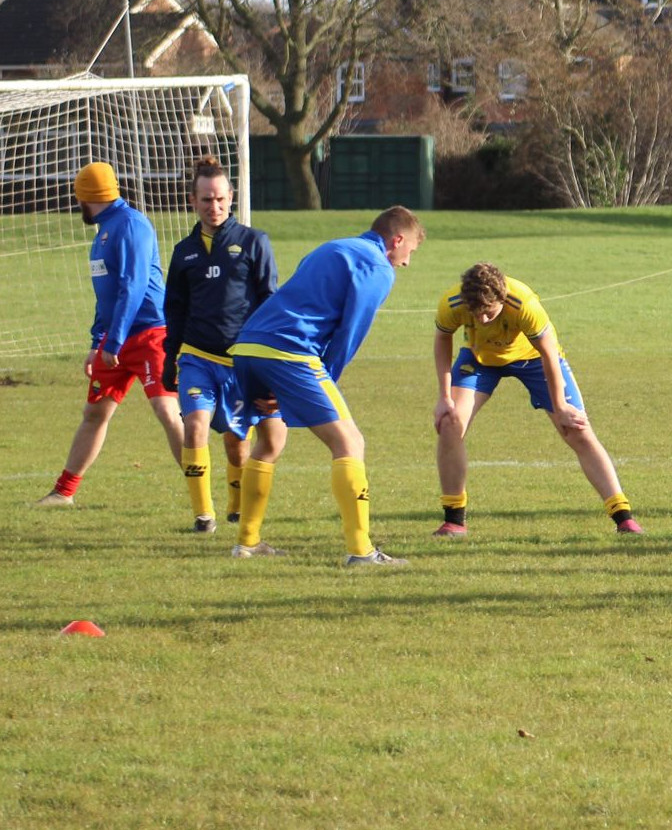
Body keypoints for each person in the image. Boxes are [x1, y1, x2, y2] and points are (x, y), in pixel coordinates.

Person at [226, 207, 425, 565]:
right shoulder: (378, 267)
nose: (407, 262)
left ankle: (247, 543)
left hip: (248, 345)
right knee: (349, 441)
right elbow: (351, 332)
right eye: (409, 251)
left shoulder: (332, 247)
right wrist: (326, 378)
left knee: (270, 441)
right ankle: (362, 553)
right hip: (290, 351)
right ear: (396, 240)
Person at [429, 262, 641, 537]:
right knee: (449, 422)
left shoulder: (524, 304)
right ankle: (454, 521)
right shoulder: (453, 302)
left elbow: (549, 356)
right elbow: (442, 339)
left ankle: (623, 517)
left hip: (534, 360)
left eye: (489, 313)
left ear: (502, 299)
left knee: (577, 430)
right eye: (476, 314)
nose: (481, 320)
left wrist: (562, 407)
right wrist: (444, 397)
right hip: (480, 360)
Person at [35, 163, 183, 509]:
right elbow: (108, 294)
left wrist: (111, 342)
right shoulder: (104, 230)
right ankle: (63, 492)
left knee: (166, 410)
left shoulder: (131, 225)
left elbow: (132, 287)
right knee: (95, 413)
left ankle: (200, 491)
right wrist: (96, 342)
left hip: (149, 334)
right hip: (115, 339)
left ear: (85, 197)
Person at [163, 156, 279, 533]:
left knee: (236, 441)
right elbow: (176, 309)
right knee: (194, 426)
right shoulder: (184, 252)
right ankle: (203, 516)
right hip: (196, 357)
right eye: (205, 200)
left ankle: (234, 504)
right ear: (193, 202)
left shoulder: (253, 242)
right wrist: (170, 357)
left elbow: (269, 304)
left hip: (240, 362)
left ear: (231, 197)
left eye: (220, 199)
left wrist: (267, 361)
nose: (214, 207)